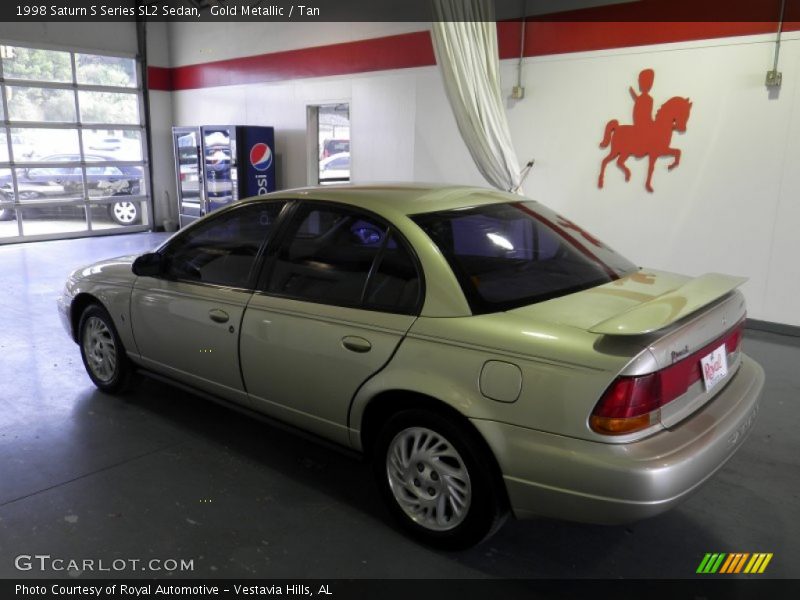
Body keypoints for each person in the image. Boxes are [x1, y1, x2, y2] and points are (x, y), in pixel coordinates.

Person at [629, 68, 655, 135]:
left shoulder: (647, 99)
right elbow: (645, 115)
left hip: (642, 122)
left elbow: (646, 114)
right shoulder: (648, 99)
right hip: (642, 123)